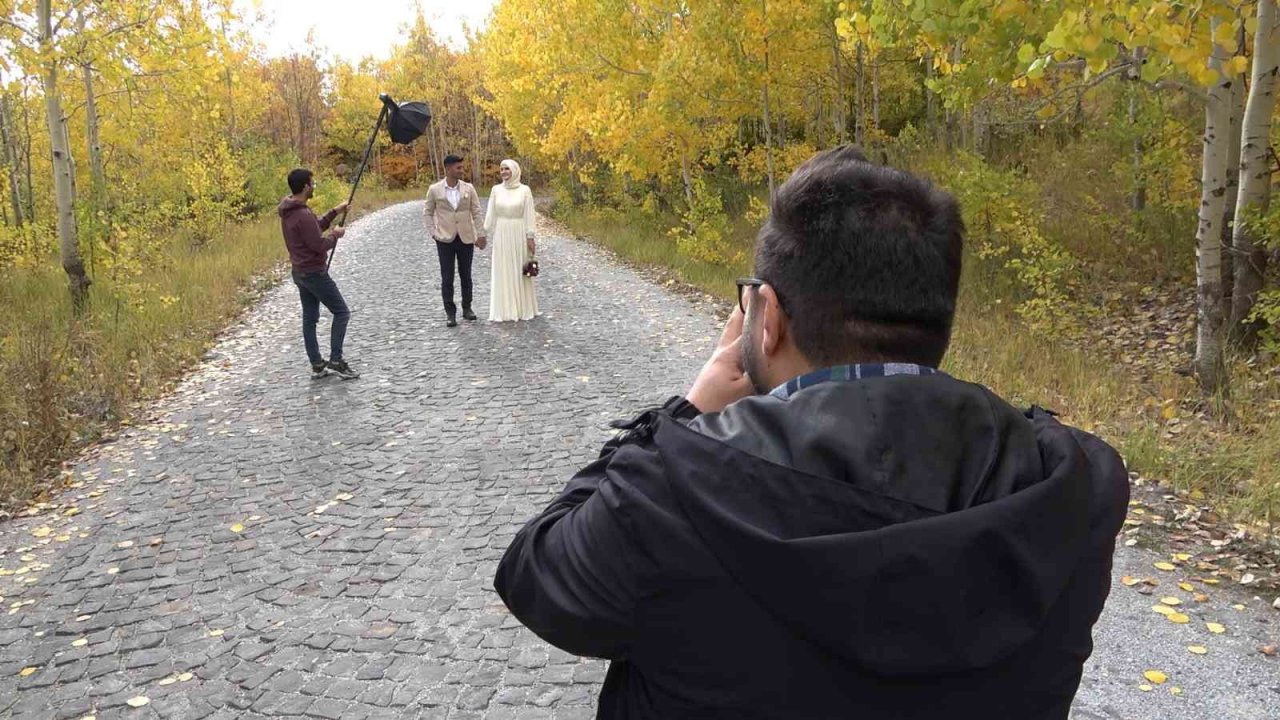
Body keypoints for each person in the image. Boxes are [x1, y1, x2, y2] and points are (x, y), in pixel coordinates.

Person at [494, 146, 1129, 720]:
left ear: (765, 317)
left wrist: (685, 411)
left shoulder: (673, 485)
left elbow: (539, 575)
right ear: (937, 318)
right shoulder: (1071, 488)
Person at [279, 168, 358, 380]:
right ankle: (336, 360)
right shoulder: (302, 214)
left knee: (310, 318)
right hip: (314, 273)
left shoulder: (291, 210)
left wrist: (335, 211)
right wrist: (336, 235)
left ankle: (316, 363)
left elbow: (314, 228)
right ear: (305, 186)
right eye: (312, 183)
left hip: (300, 272)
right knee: (342, 312)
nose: (314, 186)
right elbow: (318, 244)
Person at [424, 154, 487, 327]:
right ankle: (450, 313)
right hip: (445, 239)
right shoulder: (435, 189)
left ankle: (467, 308)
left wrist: (480, 234)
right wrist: (433, 233)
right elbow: (427, 213)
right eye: (458, 167)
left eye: (462, 167)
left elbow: (476, 212)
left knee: (466, 275)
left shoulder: (469, 188)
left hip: (466, 238)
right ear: (448, 168)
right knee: (447, 277)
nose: (462, 170)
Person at [484, 159, 539, 322]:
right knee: (503, 268)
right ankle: (505, 309)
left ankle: (522, 308)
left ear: (514, 170)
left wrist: (530, 236)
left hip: (519, 233)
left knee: (519, 269)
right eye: (501, 169)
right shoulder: (496, 190)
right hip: (501, 233)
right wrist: (482, 233)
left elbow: (529, 214)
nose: (503, 172)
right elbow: (490, 214)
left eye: (506, 169)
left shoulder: (524, 190)